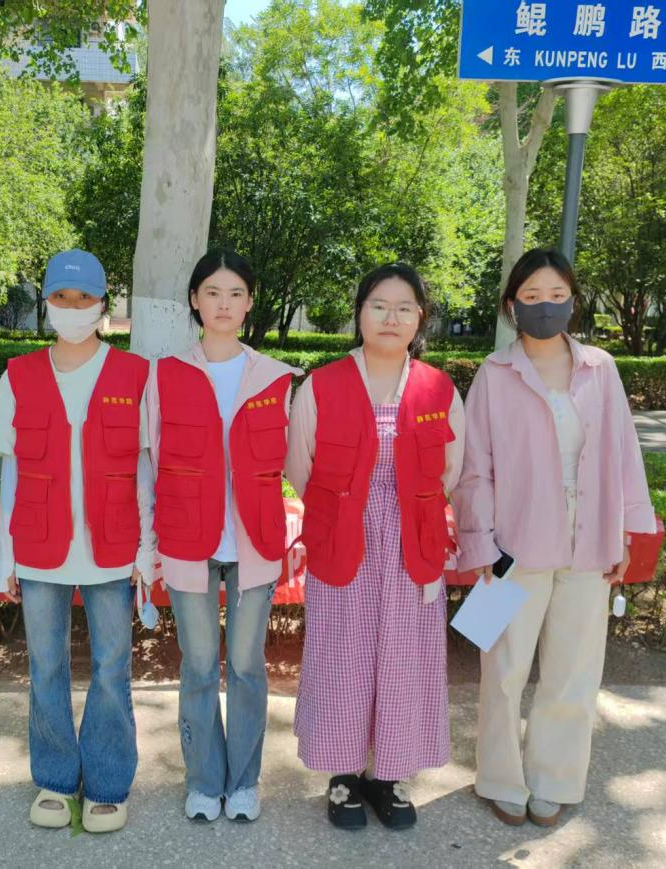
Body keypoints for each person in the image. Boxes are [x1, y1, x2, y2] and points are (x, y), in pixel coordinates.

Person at [453, 248, 656, 827]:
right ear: (511, 304)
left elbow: (625, 454)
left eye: (557, 295)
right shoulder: (494, 374)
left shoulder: (601, 368)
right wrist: (480, 543)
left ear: (573, 301)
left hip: (589, 541)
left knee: (573, 671)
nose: (545, 306)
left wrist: (626, 534)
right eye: (532, 296)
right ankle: (500, 777)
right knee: (503, 670)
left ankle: (555, 780)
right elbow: (475, 468)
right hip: (513, 547)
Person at [285, 264, 464, 830]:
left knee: (404, 658)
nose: (391, 317)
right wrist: (346, 510)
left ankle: (389, 774)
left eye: (404, 307)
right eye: (379, 305)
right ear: (359, 313)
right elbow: (300, 466)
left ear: (420, 318)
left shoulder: (439, 389)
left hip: (413, 545)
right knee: (343, 656)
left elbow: (452, 470)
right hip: (344, 541)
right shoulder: (322, 385)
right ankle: (343, 774)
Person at [0, 249, 154, 834]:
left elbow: (144, 470)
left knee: (111, 667)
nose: (73, 307)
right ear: (47, 303)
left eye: (84, 298)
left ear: (102, 303)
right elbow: (10, 474)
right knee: (46, 665)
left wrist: (147, 548)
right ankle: (55, 780)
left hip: (113, 545)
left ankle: (108, 782)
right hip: (38, 546)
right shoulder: (18, 374)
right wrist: (6, 557)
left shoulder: (134, 374)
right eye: (62, 297)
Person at [144, 250, 301, 823]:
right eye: (212, 292)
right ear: (195, 300)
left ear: (250, 302)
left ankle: (243, 782)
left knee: (247, 666)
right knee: (199, 666)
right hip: (188, 540)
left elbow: (294, 464)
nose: (224, 304)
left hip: (255, 543)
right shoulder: (164, 374)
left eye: (236, 293)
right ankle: (204, 781)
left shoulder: (277, 377)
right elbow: (149, 462)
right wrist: (147, 542)